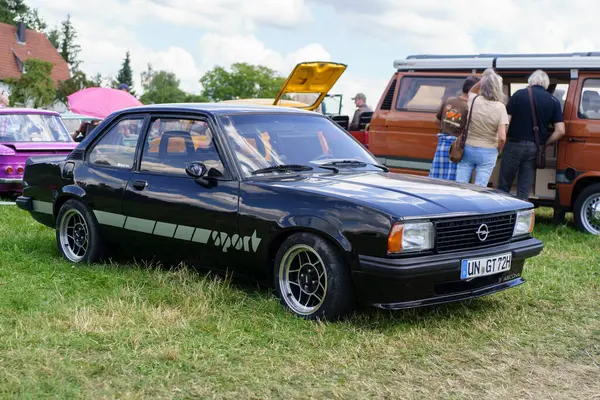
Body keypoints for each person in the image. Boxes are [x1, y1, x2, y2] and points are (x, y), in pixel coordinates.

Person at [498, 69, 565, 200]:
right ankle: (522, 217)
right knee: (524, 187)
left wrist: (500, 143)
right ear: (546, 83)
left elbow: (506, 122)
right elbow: (560, 130)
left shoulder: (518, 95)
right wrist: (545, 143)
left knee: (504, 185)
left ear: (531, 81)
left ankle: (501, 215)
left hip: (513, 145)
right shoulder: (554, 101)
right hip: (535, 148)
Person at [455, 68, 508, 187]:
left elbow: (472, 89)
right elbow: (502, 138)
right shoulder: (500, 107)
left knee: (460, 184)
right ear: (498, 88)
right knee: (480, 187)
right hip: (488, 151)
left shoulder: (474, 99)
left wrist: (486, 78)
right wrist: (499, 150)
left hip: (468, 147)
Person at [428, 76, 480, 180]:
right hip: (456, 147)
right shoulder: (470, 106)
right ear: (475, 90)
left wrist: (449, 124)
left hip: (442, 144)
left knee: (437, 177)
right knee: (453, 179)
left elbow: (436, 120)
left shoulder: (449, 100)